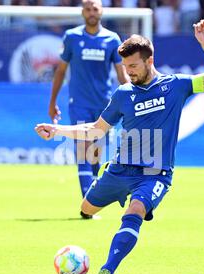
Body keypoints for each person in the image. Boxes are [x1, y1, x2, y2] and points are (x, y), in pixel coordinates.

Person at [36, 19, 204, 274]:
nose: (128, 71)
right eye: (125, 66)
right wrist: (57, 130)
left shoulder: (176, 85)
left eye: (133, 65)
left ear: (149, 61)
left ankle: (108, 270)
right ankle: (107, 187)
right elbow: (96, 129)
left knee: (136, 209)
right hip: (119, 169)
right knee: (86, 208)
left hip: (155, 173)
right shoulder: (123, 94)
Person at [48, 0, 129, 219]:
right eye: (88, 9)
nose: (91, 12)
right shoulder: (72, 37)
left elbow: (121, 76)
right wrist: (52, 101)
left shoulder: (112, 39)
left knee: (96, 156)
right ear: (82, 12)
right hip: (79, 103)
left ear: (101, 11)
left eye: (95, 8)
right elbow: (60, 71)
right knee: (83, 150)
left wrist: (130, 101)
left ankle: (90, 196)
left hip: (104, 104)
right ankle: (87, 206)